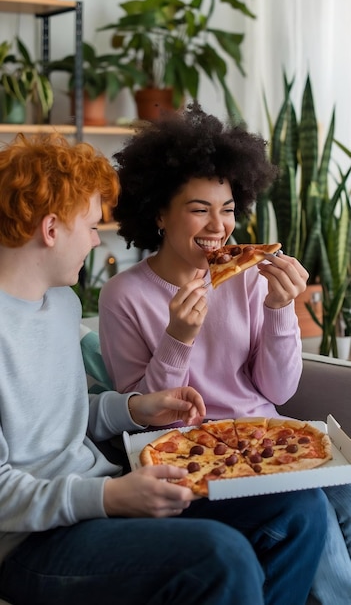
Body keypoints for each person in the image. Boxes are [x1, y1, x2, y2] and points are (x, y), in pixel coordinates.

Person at [0, 132, 327, 605]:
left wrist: (134, 408)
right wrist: (109, 499)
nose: (97, 241)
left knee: (299, 508)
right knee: (223, 554)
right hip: (32, 539)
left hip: (103, 490)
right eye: (92, 226)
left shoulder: (60, 304)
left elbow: (61, 417)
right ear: (51, 230)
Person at [98, 101, 351, 605]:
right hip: (190, 457)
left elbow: (278, 392)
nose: (219, 227)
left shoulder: (250, 280)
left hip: (270, 438)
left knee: (343, 493)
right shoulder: (123, 295)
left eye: (229, 208)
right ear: (158, 214)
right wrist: (178, 337)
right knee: (312, 508)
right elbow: (145, 424)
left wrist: (281, 308)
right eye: (199, 209)